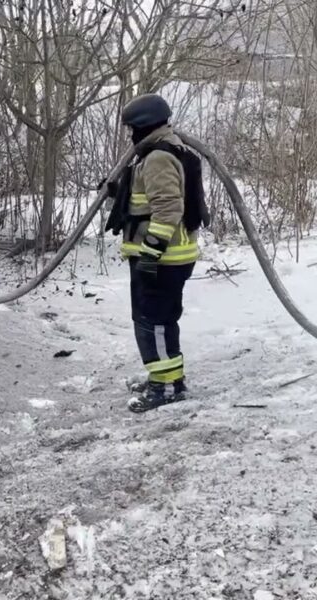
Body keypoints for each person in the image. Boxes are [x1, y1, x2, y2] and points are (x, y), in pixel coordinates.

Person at [113, 94, 203, 413]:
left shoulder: (158, 157)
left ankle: (166, 387)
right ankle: (163, 376)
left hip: (162, 259)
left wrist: (151, 253)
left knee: (156, 323)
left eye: (131, 129)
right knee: (152, 319)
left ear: (143, 126)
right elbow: (148, 200)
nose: (129, 135)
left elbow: (167, 209)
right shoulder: (156, 152)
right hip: (162, 258)